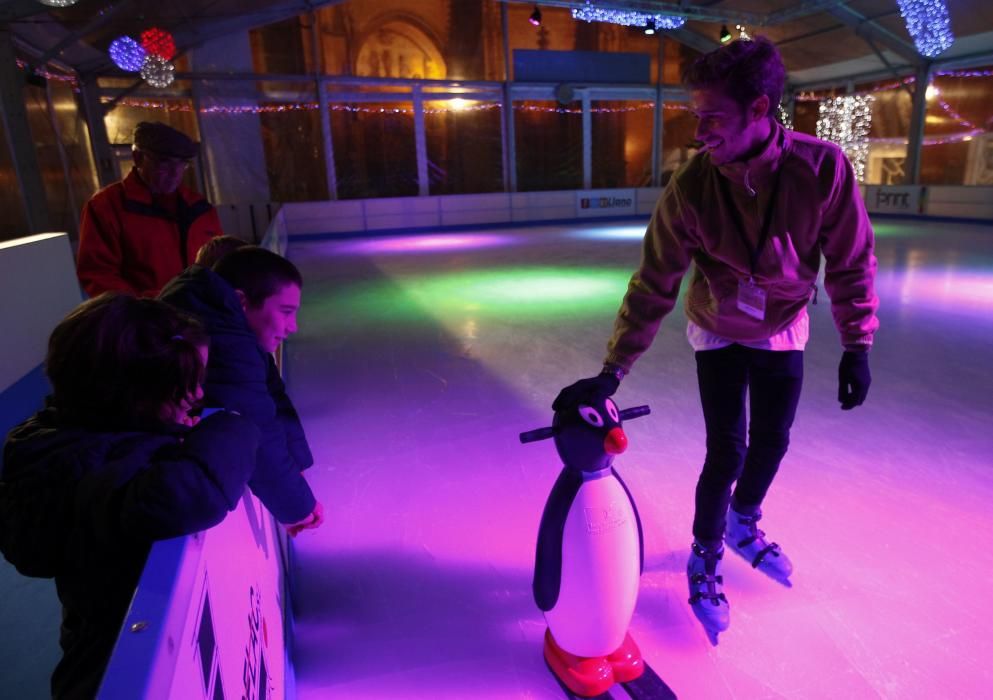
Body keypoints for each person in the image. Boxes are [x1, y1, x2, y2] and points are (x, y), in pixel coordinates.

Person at [553, 37, 878, 636]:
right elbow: (655, 280)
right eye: (695, 116)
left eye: (713, 118)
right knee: (726, 447)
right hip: (718, 326)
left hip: (782, 324)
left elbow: (852, 258)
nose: (699, 132)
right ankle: (706, 553)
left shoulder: (821, 168)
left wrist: (858, 343)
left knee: (774, 441)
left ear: (760, 108)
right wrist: (613, 369)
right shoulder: (692, 187)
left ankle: (742, 521)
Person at [0, 294, 260, 698]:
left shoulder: (69, 439)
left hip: (94, 639)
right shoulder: (99, 470)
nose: (197, 398)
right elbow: (192, 492)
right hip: (110, 670)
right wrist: (237, 424)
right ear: (137, 397)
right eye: (186, 388)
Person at [158, 246, 324, 537]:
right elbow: (256, 424)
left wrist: (297, 459)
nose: (293, 327)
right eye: (285, 312)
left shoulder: (225, 321)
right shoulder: (222, 340)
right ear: (241, 301)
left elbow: (271, 391)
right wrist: (299, 509)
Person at [76, 121, 223, 298]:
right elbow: (98, 273)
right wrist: (146, 309)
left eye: (181, 164)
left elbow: (220, 261)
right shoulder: (107, 207)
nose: (175, 173)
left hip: (199, 316)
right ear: (137, 158)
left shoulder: (199, 208)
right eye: (164, 163)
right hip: (147, 320)